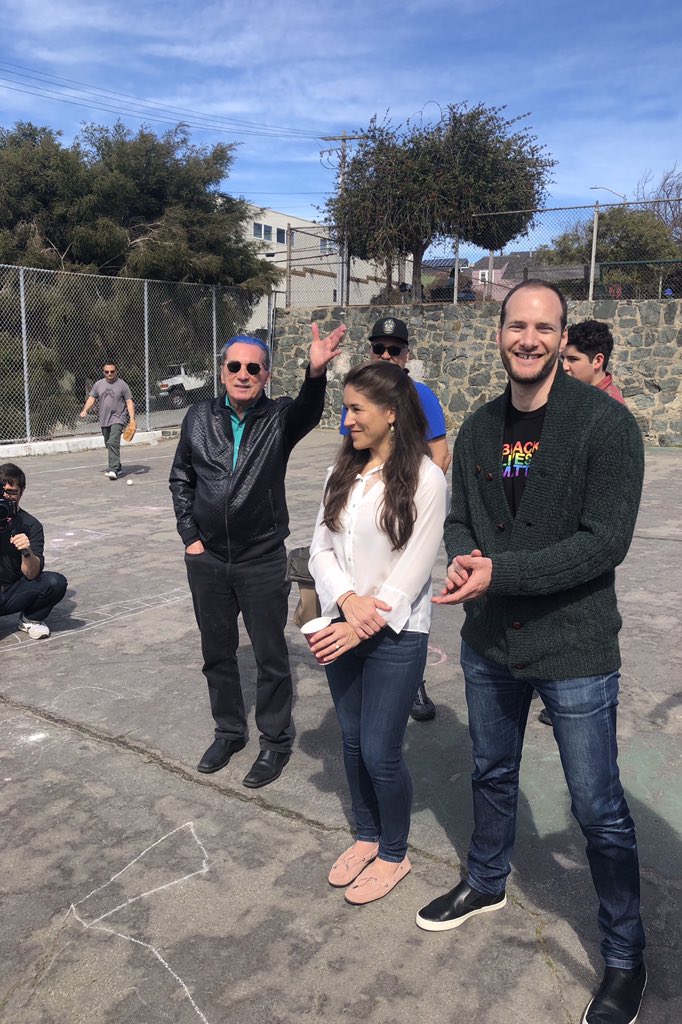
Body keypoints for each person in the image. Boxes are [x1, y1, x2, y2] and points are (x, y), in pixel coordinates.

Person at [416, 281, 647, 1024]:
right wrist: (462, 558)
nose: (530, 338)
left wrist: (500, 572)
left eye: (544, 328)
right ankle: (486, 880)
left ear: (561, 336)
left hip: (574, 645)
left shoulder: (606, 427)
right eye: (517, 325)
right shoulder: (482, 429)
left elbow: (603, 543)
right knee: (490, 768)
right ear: (499, 333)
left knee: (598, 807)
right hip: (489, 644)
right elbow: (459, 520)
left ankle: (623, 956)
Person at [170, 326, 346, 789]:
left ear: (266, 375)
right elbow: (181, 478)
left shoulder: (279, 418)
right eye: (235, 366)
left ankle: (275, 741)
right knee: (217, 654)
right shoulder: (197, 417)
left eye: (254, 368)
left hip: (262, 558)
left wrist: (316, 371)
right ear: (222, 371)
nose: (243, 374)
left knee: (270, 657)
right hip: (207, 560)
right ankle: (228, 731)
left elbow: (310, 409)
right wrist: (190, 536)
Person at [309, 362, 447, 905]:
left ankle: (394, 851)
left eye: (356, 410)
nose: (346, 421)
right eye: (344, 410)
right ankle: (367, 835)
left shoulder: (426, 479)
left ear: (391, 414)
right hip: (342, 623)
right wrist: (345, 601)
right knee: (349, 741)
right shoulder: (341, 473)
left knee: (380, 751)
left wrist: (365, 617)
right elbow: (319, 547)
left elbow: (415, 566)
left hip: (395, 634)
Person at [340, 316, 450, 723]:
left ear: (406, 355)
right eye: (379, 348)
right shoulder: (360, 398)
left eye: (394, 349)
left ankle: (413, 680)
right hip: (367, 507)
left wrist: (412, 502)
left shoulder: (422, 396)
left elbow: (439, 453)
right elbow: (350, 452)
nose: (386, 355)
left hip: (404, 510)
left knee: (407, 590)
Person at [0, 462, 67, 639]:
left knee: (55, 582)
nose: (6, 497)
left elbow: (32, 574)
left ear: (21, 492)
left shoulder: (31, 525)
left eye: (12, 492)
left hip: (11, 591)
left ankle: (30, 619)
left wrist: (26, 550)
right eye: (2, 492)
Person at [80, 362, 136, 480]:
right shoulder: (98, 384)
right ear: (103, 372)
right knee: (108, 443)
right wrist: (85, 410)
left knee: (113, 442)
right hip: (104, 419)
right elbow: (92, 398)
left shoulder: (122, 385)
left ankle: (113, 469)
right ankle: (118, 467)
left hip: (119, 418)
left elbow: (129, 402)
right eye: (107, 372)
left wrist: (132, 419)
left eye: (112, 371)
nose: (109, 374)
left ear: (116, 372)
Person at [562, 319, 625, 403]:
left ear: (597, 361)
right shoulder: (584, 394)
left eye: (573, 359)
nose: (564, 366)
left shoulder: (609, 408)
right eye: (563, 359)